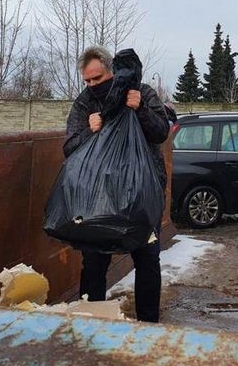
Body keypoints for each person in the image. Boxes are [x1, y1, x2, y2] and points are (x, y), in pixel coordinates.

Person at [63, 46, 169, 323]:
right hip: (98, 200)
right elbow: (69, 147)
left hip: (141, 196)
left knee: (147, 260)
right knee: (94, 262)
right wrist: (90, 131)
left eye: (97, 79)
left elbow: (161, 133)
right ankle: (90, 322)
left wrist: (141, 109)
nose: (92, 86)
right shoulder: (85, 103)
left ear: (112, 71)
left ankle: (148, 324)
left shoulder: (142, 92)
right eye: (87, 81)